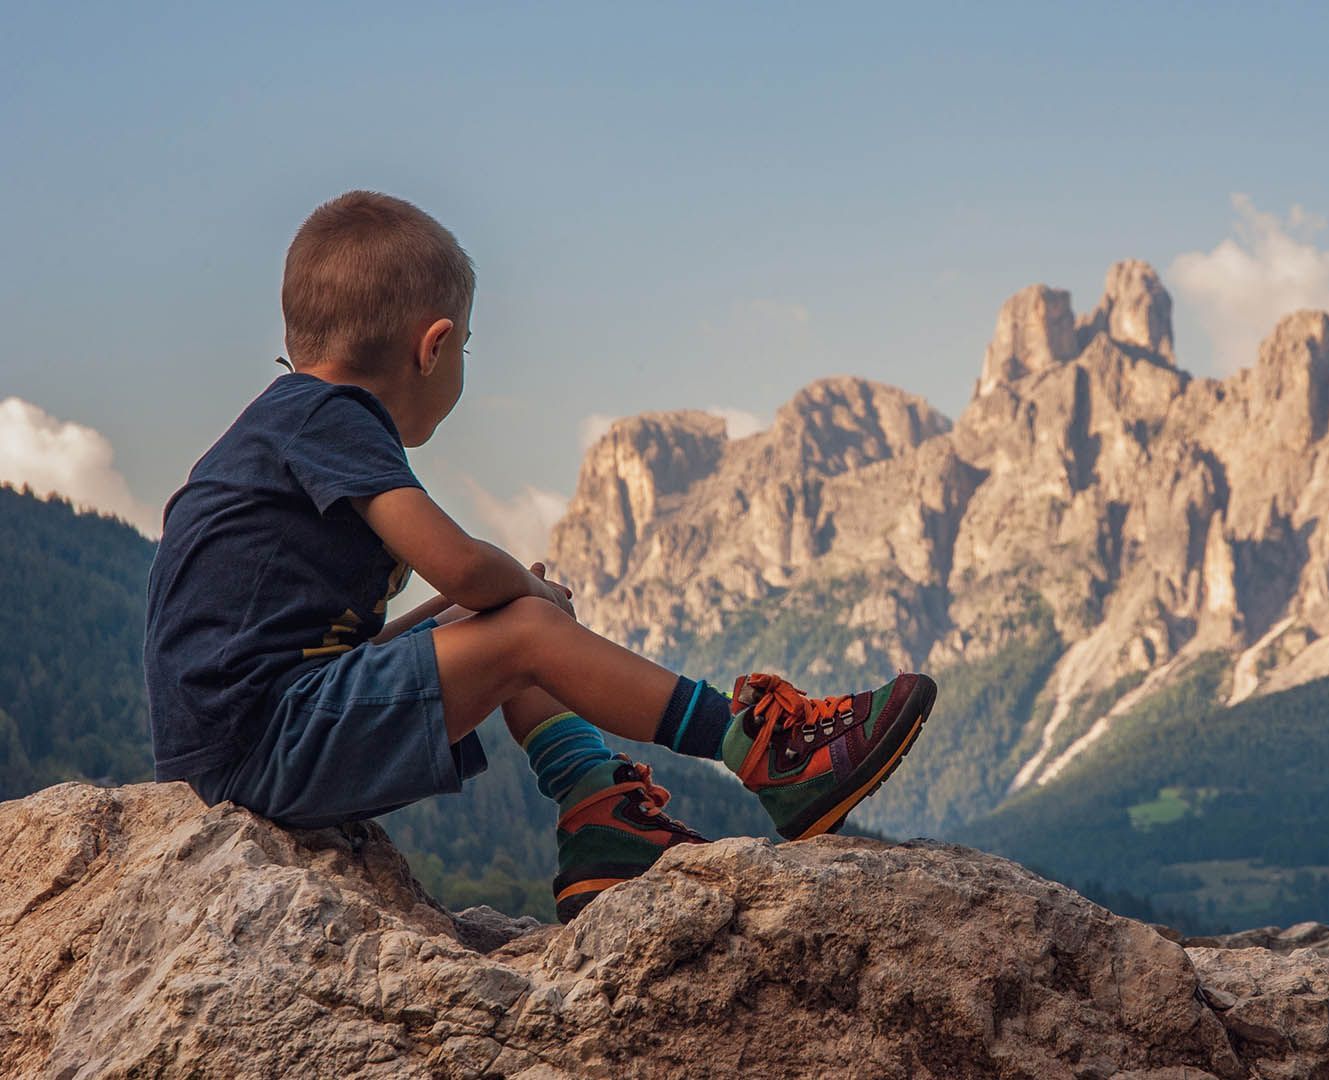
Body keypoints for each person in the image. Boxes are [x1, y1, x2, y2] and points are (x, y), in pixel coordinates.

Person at [144, 190, 936, 923]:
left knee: (499, 617)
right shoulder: (332, 415)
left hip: (265, 726)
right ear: (435, 345)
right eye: (467, 350)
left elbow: (392, 627)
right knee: (518, 623)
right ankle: (767, 752)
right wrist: (522, 594)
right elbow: (459, 563)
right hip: (265, 743)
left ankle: (601, 815)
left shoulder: (289, 419)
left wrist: (487, 608)